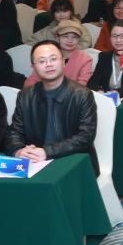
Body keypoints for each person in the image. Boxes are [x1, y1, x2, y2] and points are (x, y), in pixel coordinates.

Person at [8, 40, 98, 173]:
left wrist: (47, 152)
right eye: (42, 61)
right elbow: (15, 131)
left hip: (72, 160)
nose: (48, 64)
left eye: (53, 59)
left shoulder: (82, 95)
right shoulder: (25, 96)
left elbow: (85, 137)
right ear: (33, 67)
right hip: (36, 162)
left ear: (63, 62)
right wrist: (18, 150)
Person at [25, 19, 94, 87]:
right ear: (57, 38)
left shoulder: (85, 59)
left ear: (79, 39)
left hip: (72, 93)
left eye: (74, 37)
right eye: (65, 36)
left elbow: (81, 85)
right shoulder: (48, 54)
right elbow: (32, 80)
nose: (70, 40)